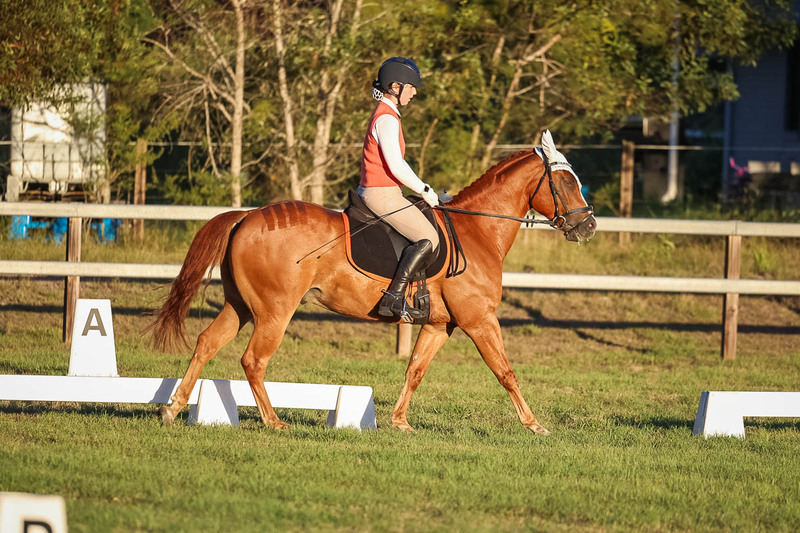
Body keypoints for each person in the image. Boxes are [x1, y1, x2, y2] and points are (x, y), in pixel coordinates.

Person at [359, 57, 440, 320]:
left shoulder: (388, 114)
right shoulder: (387, 119)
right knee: (430, 238)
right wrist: (425, 189)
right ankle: (392, 298)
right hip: (380, 193)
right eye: (412, 86)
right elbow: (396, 165)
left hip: (385, 191)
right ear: (395, 86)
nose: (415, 92)